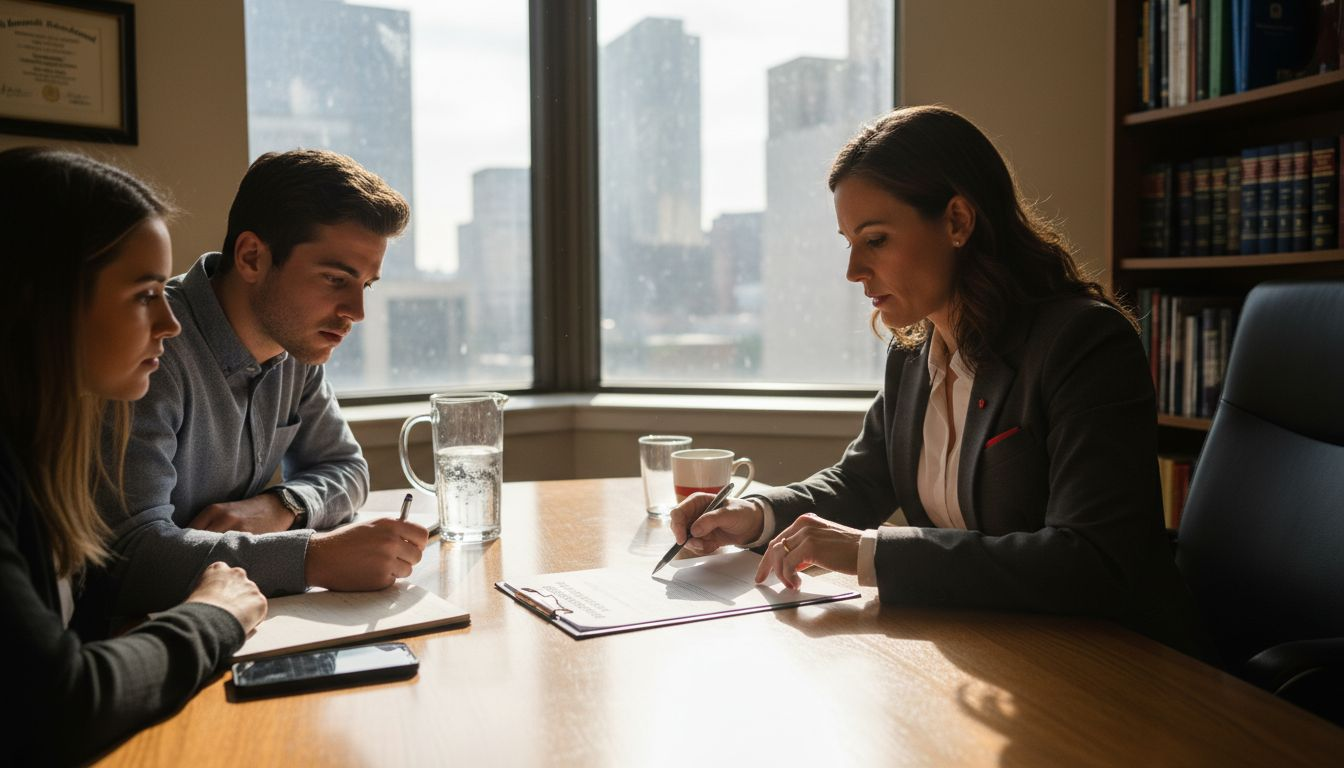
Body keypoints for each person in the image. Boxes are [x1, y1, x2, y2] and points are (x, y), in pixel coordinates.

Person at [672, 106, 1201, 653]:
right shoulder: (913, 354)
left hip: (1114, 663)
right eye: (848, 241)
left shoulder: (1085, 343)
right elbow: (862, 481)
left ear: (957, 221)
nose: (853, 269)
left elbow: (1090, 560)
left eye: (875, 240)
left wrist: (867, 553)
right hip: (992, 647)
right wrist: (754, 515)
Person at [0, 147, 268, 764]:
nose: (171, 324)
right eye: (146, 293)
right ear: (44, 300)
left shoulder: (45, 453)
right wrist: (214, 615)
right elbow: (64, 703)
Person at [102, 149, 429, 617]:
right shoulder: (151, 349)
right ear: (252, 257)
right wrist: (313, 559)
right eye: (335, 278)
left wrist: (282, 506)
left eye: (366, 285)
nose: (356, 312)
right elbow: (132, 557)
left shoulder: (294, 342)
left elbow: (347, 469)